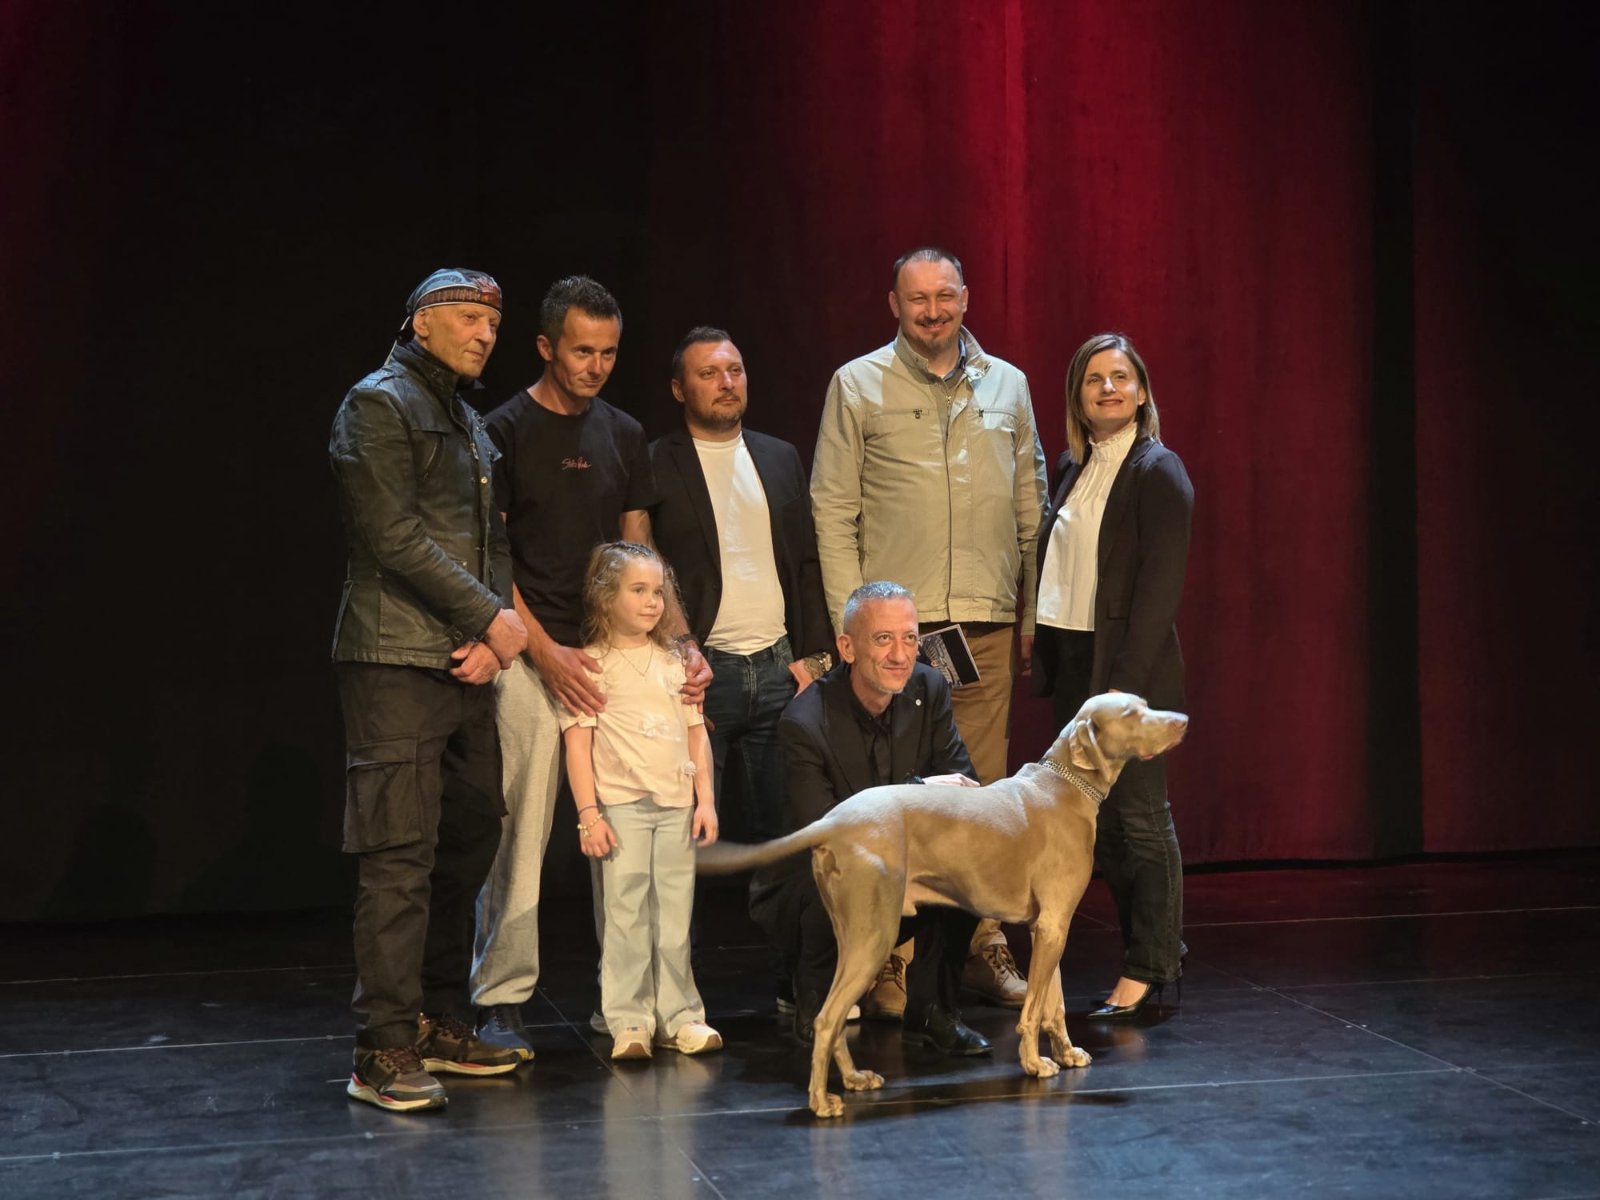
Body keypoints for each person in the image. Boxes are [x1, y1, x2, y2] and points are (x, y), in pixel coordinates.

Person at [469, 276, 710, 1056]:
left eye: (608, 352)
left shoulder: (624, 432)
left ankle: (629, 1007)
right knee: (528, 824)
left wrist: (679, 643)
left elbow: (642, 552)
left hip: (621, 660)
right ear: (545, 346)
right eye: (581, 350)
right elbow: (491, 556)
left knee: (641, 830)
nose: (596, 365)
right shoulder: (501, 430)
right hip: (535, 654)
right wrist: (545, 653)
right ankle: (500, 997)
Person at [810, 246, 1047, 1013]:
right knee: (893, 797)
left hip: (983, 621)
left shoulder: (1007, 384)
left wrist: (1029, 614)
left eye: (946, 297)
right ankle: (887, 958)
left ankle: (981, 944)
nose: (934, 311)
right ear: (894, 304)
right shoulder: (857, 384)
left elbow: (1029, 509)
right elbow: (832, 507)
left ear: (967, 298)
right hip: (895, 637)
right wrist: (856, 628)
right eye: (918, 299)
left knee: (976, 800)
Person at [329, 268, 530, 1112]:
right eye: (469, 318)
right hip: (394, 658)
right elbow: (393, 537)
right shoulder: (377, 405)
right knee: (399, 854)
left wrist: (491, 636)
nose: (486, 332)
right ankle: (381, 1047)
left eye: (493, 320)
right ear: (421, 323)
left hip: (464, 663)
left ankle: (441, 1021)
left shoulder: (468, 420)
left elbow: (492, 544)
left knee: (470, 834)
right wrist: (491, 619)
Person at [750, 581, 992, 1056]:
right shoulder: (804, 720)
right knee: (830, 872)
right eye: (883, 639)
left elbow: (963, 787)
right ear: (847, 647)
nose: (901, 654)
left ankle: (933, 1011)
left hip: (902, 859)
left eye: (909, 637)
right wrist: (920, 797)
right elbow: (827, 829)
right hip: (821, 872)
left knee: (965, 869)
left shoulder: (930, 688)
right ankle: (816, 1001)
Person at [1030, 331, 1195, 1019]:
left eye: (1120, 377)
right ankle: (1148, 953)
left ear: (1143, 390)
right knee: (1105, 825)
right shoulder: (1075, 466)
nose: (1107, 388)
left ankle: (1153, 963)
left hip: (1129, 672)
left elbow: (1158, 594)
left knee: (1139, 818)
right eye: (1094, 379)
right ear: (1077, 396)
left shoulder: (1158, 471)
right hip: (1077, 660)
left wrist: (1121, 692)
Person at [649, 327, 833, 842]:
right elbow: (644, 568)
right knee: (689, 830)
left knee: (777, 835)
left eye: (735, 370)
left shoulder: (779, 457)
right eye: (708, 373)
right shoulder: (655, 463)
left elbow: (805, 562)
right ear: (679, 389)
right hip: (702, 673)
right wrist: (677, 654)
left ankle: (773, 925)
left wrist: (814, 656)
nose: (726, 382)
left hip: (779, 671)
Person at [562, 542, 723, 1059]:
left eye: (658, 591)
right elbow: (578, 745)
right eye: (639, 590)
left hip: (676, 805)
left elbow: (696, 734)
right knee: (626, 913)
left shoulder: (677, 663)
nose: (653, 602)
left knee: (675, 914)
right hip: (621, 807)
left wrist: (706, 801)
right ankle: (628, 1018)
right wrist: (589, 815)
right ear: (605, 597)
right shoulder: (588, 666)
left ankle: (680, 1015)